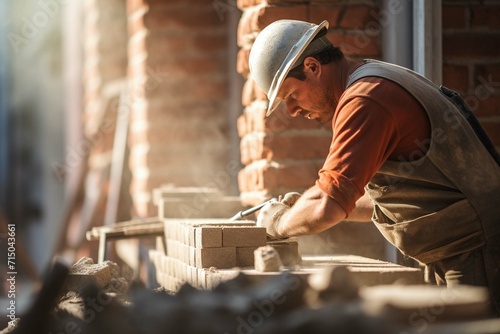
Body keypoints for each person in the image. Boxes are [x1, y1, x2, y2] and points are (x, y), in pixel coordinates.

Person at [249, 19, 500, 315]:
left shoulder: (366, 99)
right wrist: (299, 211)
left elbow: (327, 206)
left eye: (291, 96)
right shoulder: (373, 79)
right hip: (461, 251)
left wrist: (278, 222)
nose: (292, 111)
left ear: (312, 67)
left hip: (481, 255)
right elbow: (395, 195)